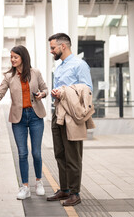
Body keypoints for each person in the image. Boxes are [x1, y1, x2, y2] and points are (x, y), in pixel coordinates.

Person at [0, 45, 48, 200]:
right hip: (18, 118)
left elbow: (44, 89)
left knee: (36, 153)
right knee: (22, 153)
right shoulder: (8, 77)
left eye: (15, 57)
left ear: (23, 58)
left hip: (35, 116)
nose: (12, 60)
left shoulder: (35, 73)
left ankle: (39, 182)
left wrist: (41, 94)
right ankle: (25, 187)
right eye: (11, 57)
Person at [46, 33, 93, 206]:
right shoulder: (59, 67)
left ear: (63, 46)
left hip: (72, 116)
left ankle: (75, 193)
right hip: (57, 112)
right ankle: (64, 189)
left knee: (73, 155)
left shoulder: (79, 65)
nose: (51, 51)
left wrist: (65, 91)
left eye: (53, 48)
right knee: (60, 154)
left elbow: (87, 89)